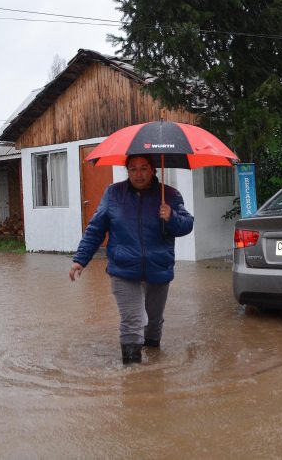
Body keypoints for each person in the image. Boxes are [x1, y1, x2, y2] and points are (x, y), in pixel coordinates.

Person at [69, 154, 194, 365]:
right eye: (133, 169)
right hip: (123, 268)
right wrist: (80, 259)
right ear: (127, 170)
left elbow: (187, 225)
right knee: (133, 320)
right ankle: (133, 376)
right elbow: (96, 228)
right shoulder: (114, 193)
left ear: (153, 170)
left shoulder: (170, 195)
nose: (138, 174)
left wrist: (171, 217)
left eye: (144, 168)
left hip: (158, 266)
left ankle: (154, 367)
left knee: (154, 321)